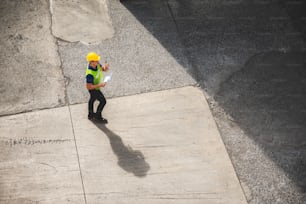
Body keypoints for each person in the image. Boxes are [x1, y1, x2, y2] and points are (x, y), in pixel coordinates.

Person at [85, 52, 109, 123]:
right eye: (96, 60)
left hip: (97, 87)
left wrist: (105, 67)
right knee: (103, 101)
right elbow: (88, 87)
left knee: (92, 99)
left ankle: (90, 114)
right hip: (93, 89)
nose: (98, 61)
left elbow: (102, 69)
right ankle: (97, 116)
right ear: (91, 62)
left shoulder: (96, 64)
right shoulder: (90, 74)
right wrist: (100, 85)